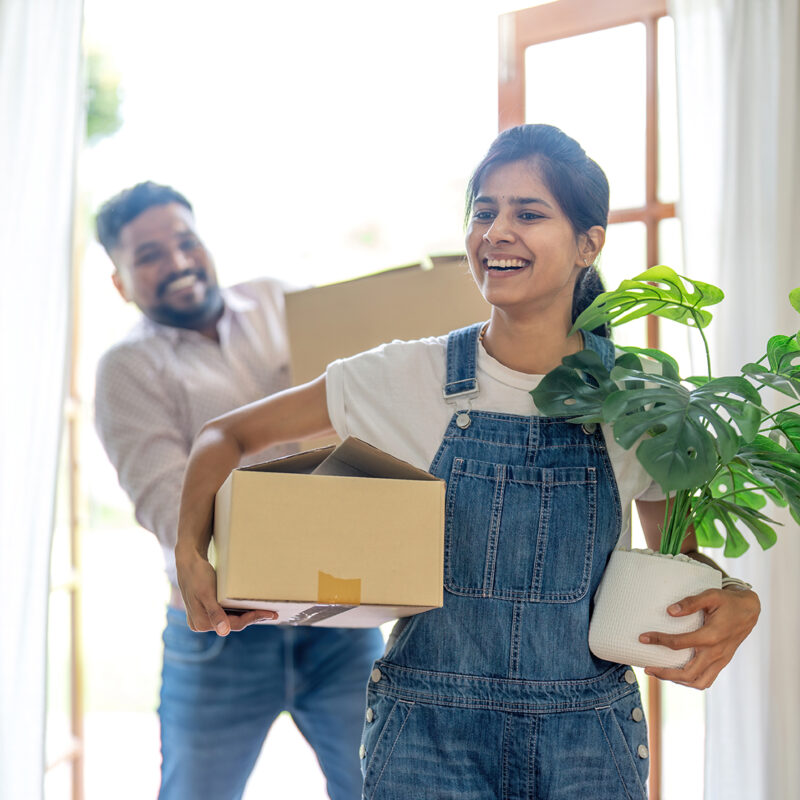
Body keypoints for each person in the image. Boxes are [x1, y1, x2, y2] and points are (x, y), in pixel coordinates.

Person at [174, 126, 761, 799]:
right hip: (425, 739)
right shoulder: (407, 375)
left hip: (587, 746)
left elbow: (681, 574)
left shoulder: (640, 404)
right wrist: (189, 549)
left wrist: (737, 599)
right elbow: (225, 435)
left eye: (528, 213)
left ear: (588, 243)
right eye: (484, 212)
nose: (497, 231)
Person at [93, 181, 385, 800]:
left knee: (380, 785)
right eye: (148, 256)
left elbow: (361, 408)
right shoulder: (127, 368)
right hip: (221, 632)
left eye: (184, 241)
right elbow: (172, 504)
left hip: (340, 615)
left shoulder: (283, 303)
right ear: (120, 281)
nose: (176, 262)